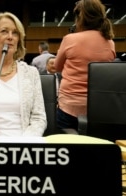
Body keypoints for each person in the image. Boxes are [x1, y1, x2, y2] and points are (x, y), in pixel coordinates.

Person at [54, 0, 116, 133]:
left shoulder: (70, 39)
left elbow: (57, 67)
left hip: (69, 107)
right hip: (98, 108)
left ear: (80, 17)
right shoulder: (110, 42)